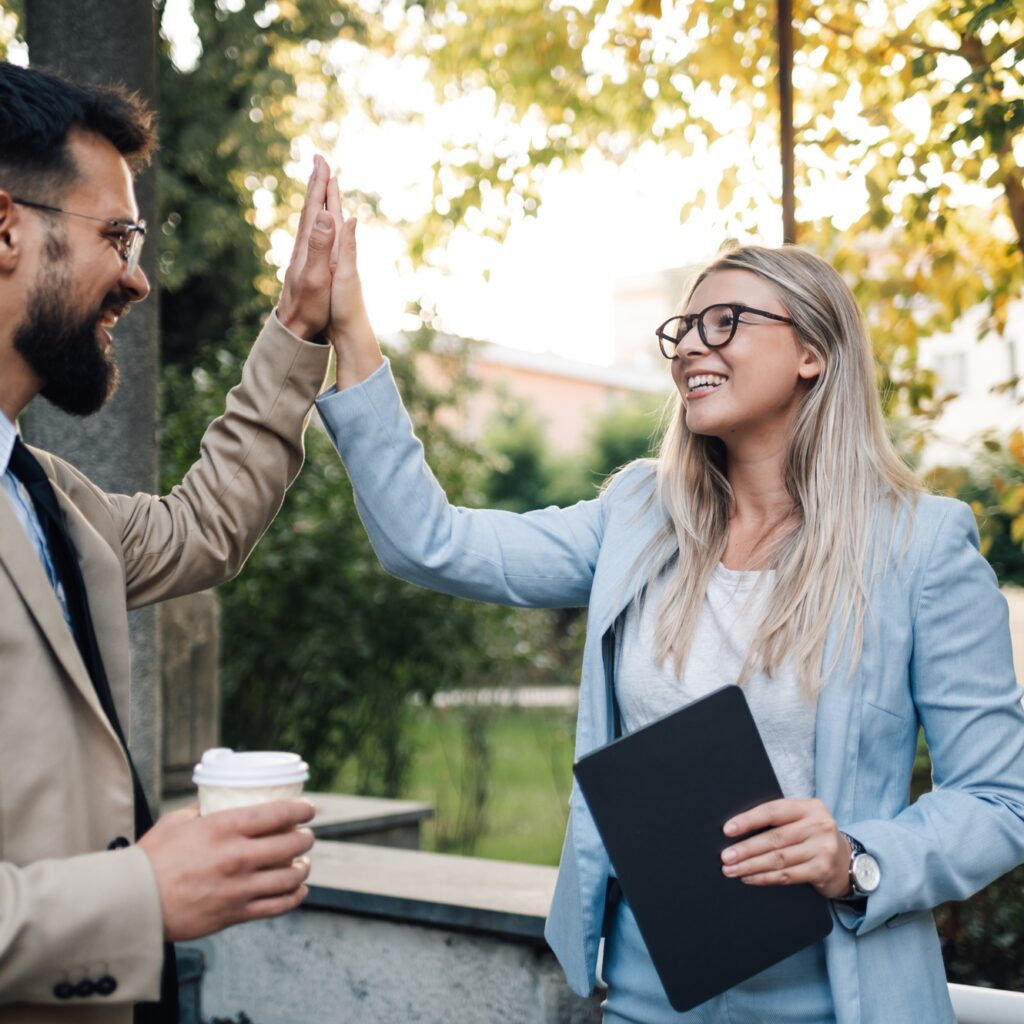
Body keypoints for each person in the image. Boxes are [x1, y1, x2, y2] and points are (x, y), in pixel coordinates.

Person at [312, 189, 1024, 1023]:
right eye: (680, 330)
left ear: (814, 354)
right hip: (650, 998)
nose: (689, 346)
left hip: (837, 1000)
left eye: (723, 321)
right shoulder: (640, 515)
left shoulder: (920, 546)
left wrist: (856, 858)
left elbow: (998, 799)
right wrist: (352, 334)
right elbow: (430, 543)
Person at [0, 62, 341, 1024]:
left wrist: (297, 325)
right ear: (6, 227)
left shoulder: (53, 502)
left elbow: (206, 526)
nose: (138, 275)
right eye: (116, 235)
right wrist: (140, 897)